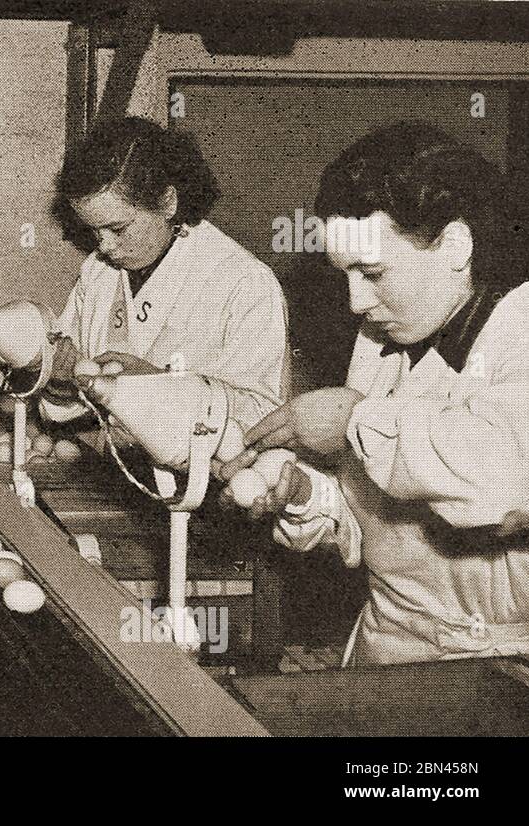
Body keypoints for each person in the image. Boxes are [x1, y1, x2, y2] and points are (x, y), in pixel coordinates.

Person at [219, 122, 529, 666]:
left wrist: (357, 420)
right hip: (386, 653)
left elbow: (500, 486)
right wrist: (302, 496)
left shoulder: (519, 330)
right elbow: (374, 516)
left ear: (456, 246)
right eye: (345, 276)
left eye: (372, 272)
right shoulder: (382, 340)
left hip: (505, 668)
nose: (356, 302)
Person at [43, 118, 289, 449]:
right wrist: (60, 386)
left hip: (204, 486)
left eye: (118, 229)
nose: (104, 246)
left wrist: (156, 383)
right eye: (93, 231)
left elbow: (262, 416)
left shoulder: (243, 282)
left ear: (168, 203)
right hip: (117, 472)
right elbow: (77, 409)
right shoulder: (98, 272)